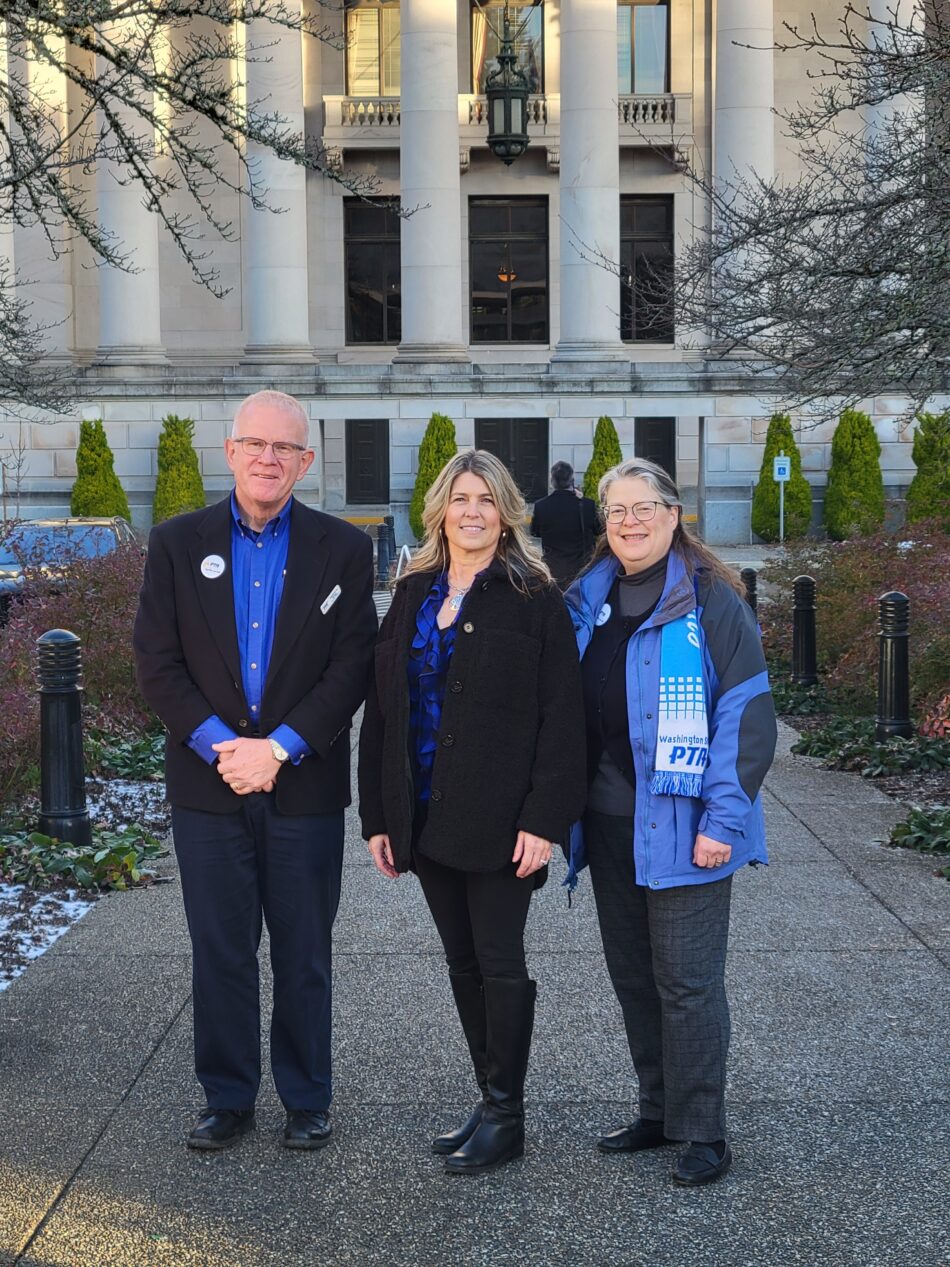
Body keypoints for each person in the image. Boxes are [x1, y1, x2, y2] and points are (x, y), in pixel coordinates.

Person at [133, 389, 376, 1152]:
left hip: (302, 783)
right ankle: (227, 1098)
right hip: (208, 789)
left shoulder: (342, 547)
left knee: (304, 949)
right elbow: (157, 661)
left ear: (305, 462)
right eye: (256, 445)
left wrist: (278, 748)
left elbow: (352, 665)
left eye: (286, 449)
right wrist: (221, 746)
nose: (269, 459)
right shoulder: (176, 543)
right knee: (221, 949)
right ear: (230, 451)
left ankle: (307, 1098)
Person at [358, 448, 586, 1175]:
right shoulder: (413, 590)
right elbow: (382, 709)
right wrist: (377, 816)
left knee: (499, 961)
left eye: (486, 498)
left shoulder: (533, 594)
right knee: (461, 961)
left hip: (500, 818)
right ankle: (488, 1098)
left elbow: (564, 718)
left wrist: (545, 818)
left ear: (507, 511)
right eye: (460, 498)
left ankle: (508, 1114)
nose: (473, 511)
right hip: (421, 814)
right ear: (440, 511)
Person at [564, 458, 776, 1186]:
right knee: (635, 977)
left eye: (643, 507)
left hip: (690, 826)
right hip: (609, 821)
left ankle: (704, 1130)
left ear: (673, 512)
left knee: (686, 982)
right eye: (616, 509)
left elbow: (745, 715)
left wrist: (724, 818)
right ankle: (657, 1110)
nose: (629, 521)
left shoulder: (710, 600)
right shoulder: (588, 596)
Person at [530, 460, 601, 589]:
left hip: (554, 570)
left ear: (552, 480)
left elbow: (535, 531)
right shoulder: (587, 505)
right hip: (582, 569)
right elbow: (598, 530)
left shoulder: (541, 506)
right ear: (572, 479)